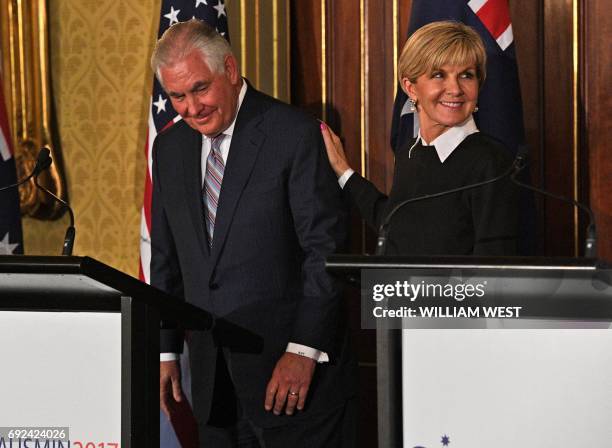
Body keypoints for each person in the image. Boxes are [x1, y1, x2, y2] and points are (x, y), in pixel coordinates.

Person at [150, 19, 356, 448]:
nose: (191, 108)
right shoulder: (168, 148)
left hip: (293, 381)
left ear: (229, 69)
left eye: (200, 89)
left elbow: (325, 251)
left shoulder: (293, 134)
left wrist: (303, 350)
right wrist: (167, 350)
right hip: (210, 383)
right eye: (177, 96)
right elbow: (168, 258)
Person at [321, 21, 518, 256]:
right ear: (411, 88)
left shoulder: (490, 161)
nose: (455, 89)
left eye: (467, 75)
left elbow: (493, 265)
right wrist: (343, 171)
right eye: (439, 75)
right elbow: (397, 224)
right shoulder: (410, 152)